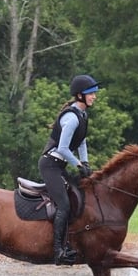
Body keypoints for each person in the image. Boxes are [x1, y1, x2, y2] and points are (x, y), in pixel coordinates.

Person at [39, 74, 98, 265]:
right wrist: (78, 165)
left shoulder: (82, 115)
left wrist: (85, 161)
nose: (94, 96)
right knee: (64, 204)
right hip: (50, 165)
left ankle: (71, 242)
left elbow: (82, 141)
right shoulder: (71, 118)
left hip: (60, 165)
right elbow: (63, 148)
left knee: (77, 197)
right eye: (91, 94)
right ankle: (58, 251)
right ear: (80, 95)